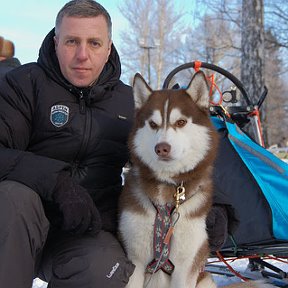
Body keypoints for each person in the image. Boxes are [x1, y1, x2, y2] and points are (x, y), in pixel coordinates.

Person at [0, 1, 135, 287]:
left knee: (101, 271)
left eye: (94, 43)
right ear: (56, 41)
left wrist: (217, 204)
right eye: (72, 41)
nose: (82, 55)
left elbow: (168, 157)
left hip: (85, 229)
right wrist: (58, 184)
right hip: (18, 227)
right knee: (13, 198)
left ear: (109, 47)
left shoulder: (129, 101)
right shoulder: (22, 85)